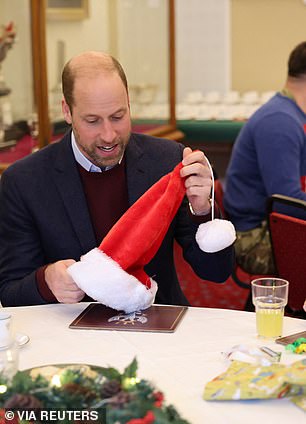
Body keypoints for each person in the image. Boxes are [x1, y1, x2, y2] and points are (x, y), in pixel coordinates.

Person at [0, 51, 234, 307]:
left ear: (129, 105)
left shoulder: (166, 160)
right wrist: (46, 281)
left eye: (118, 117)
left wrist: (202, 210)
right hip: (72, 335)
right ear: (67, 112)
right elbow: (11, 293)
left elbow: (216, 272)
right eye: (92, 121)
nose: (109, 135)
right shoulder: (25, 181)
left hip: (156, 323)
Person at [224, 41, 306, 275]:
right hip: (255, 236)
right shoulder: (280, 123)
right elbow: (286, 203)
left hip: (274, 226)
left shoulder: (292, 114)